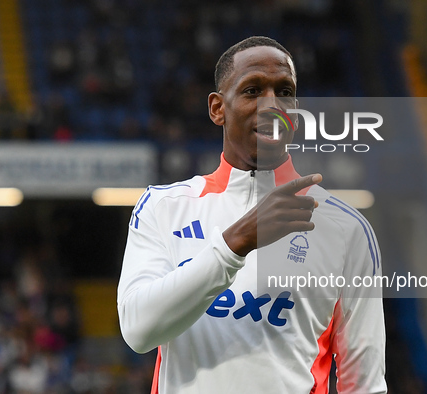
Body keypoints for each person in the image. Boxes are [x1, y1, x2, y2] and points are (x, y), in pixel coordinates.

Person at [117, 36, 386, 394]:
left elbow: (365, 384)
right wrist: (234, 245)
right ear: (217, 108)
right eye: (252, 91)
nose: (272, 105)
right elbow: (139, 331)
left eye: (284, 92)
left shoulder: (346, 228)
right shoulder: (164, 207)